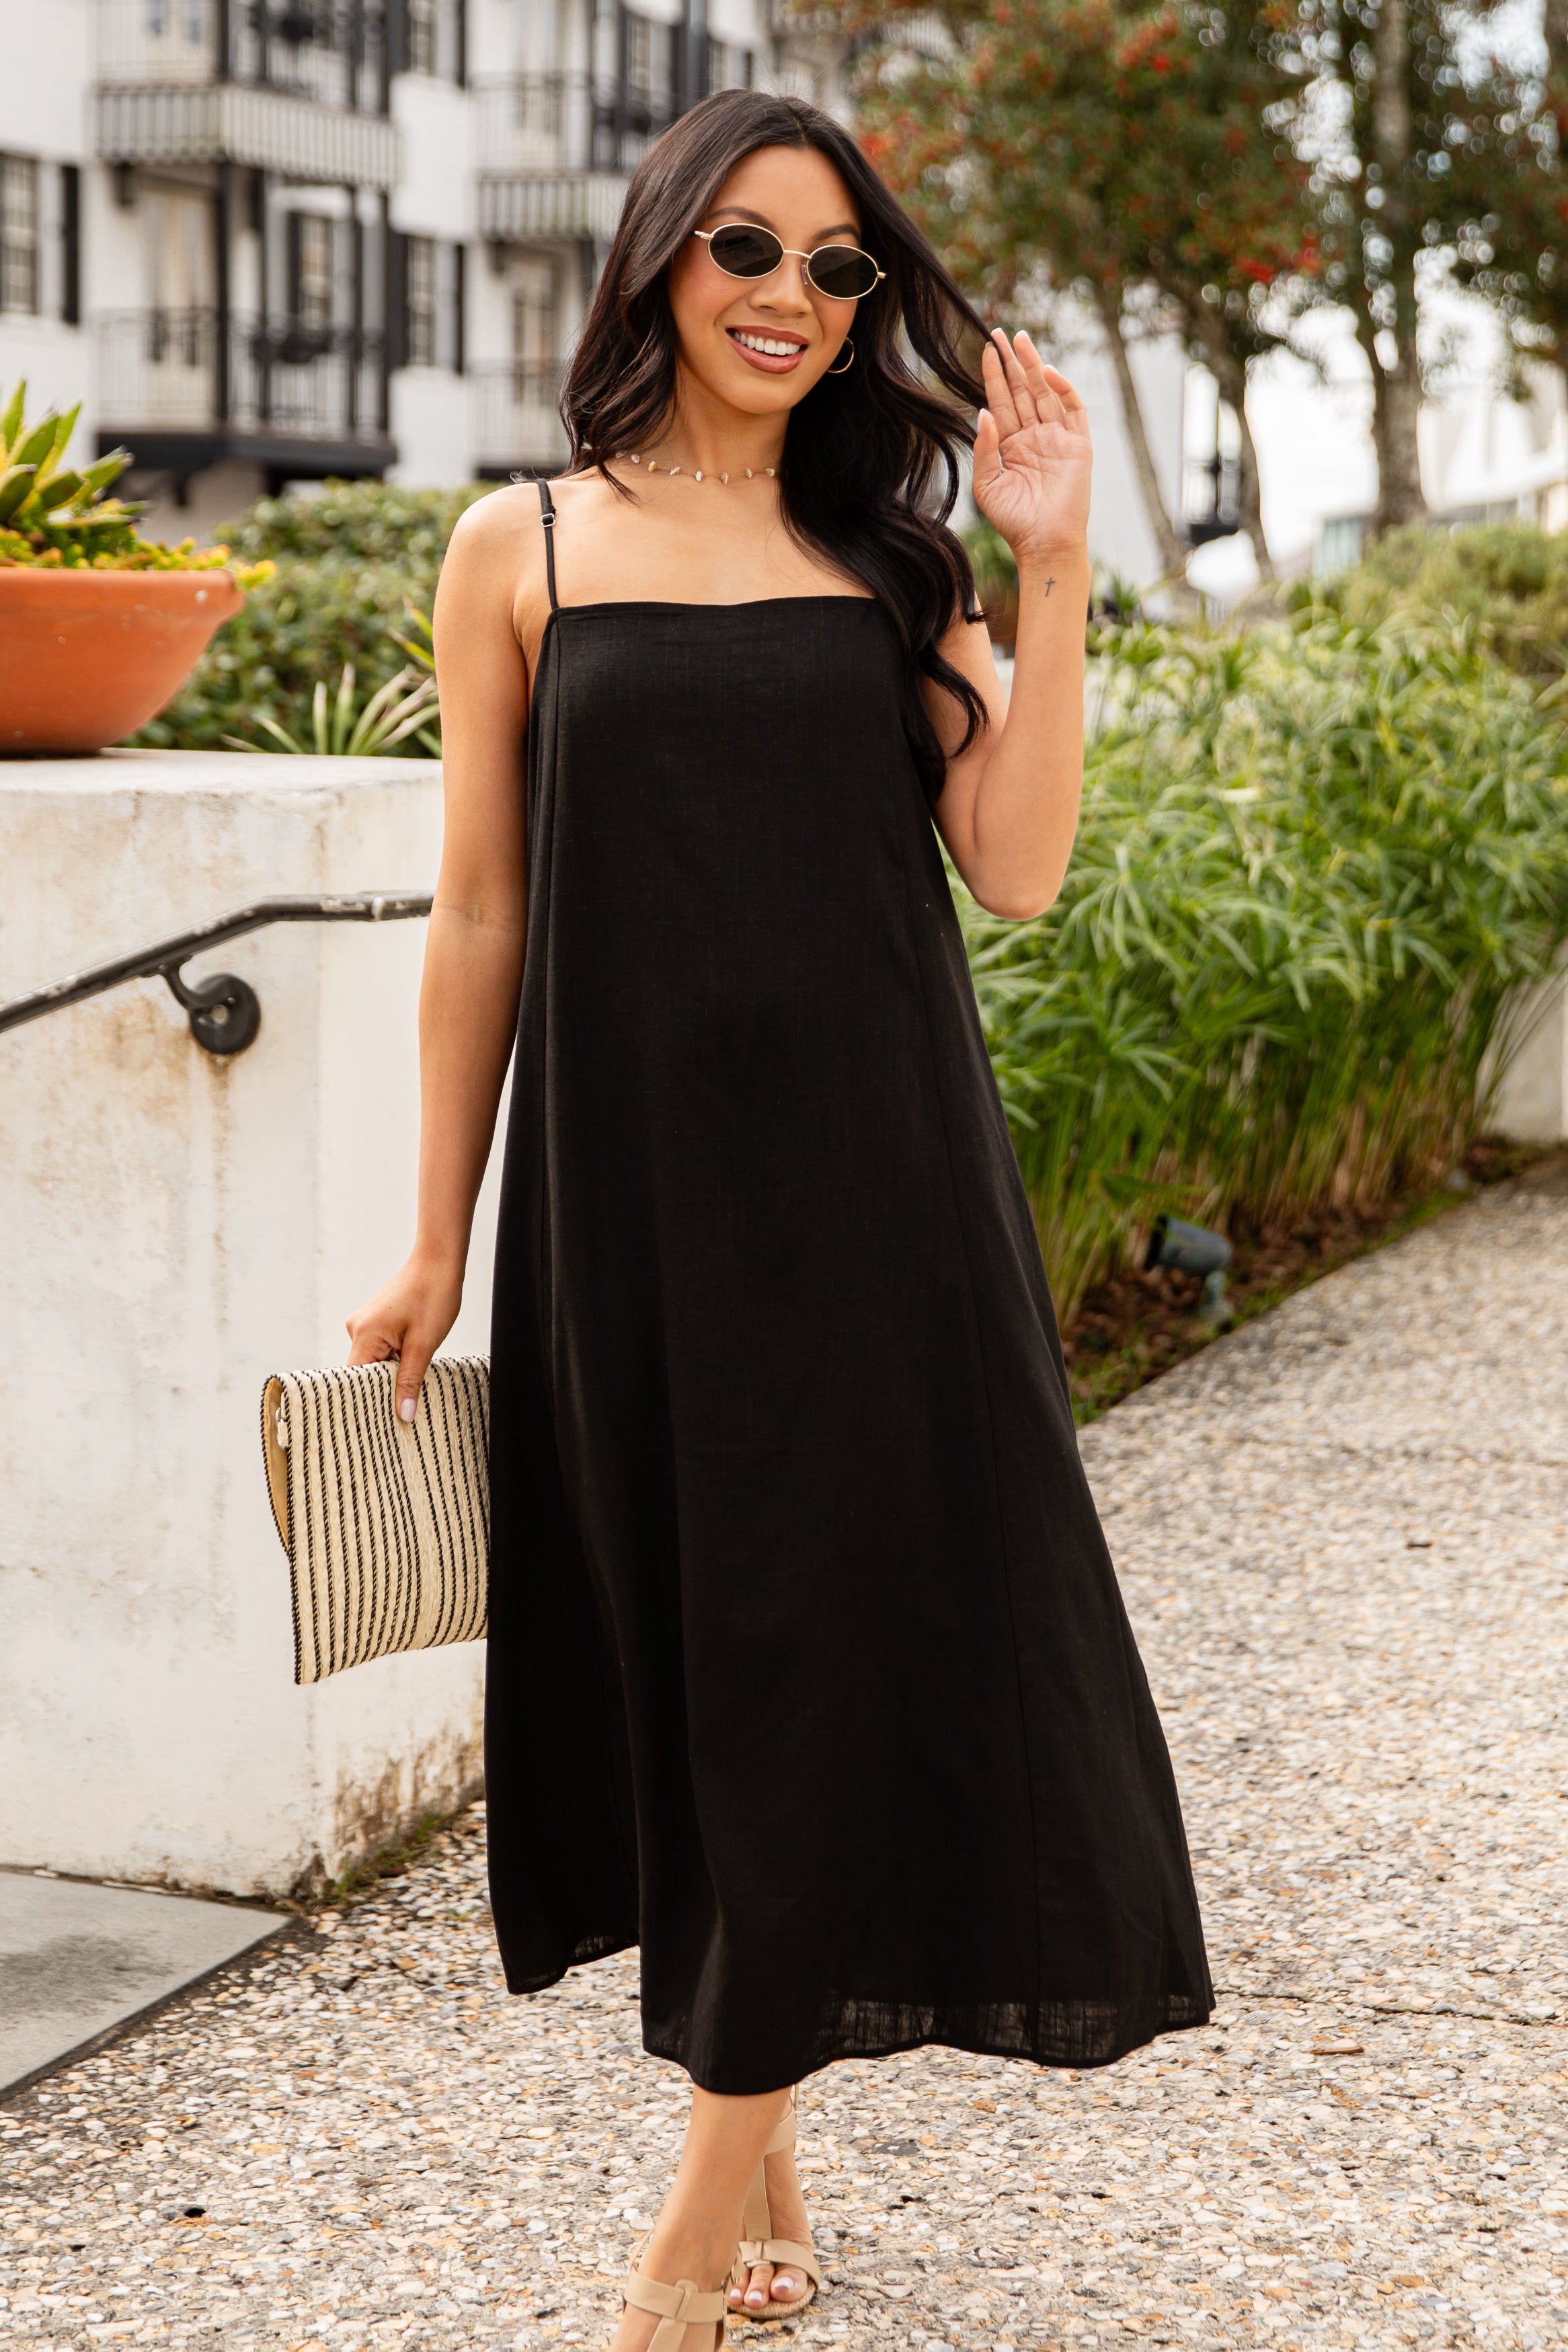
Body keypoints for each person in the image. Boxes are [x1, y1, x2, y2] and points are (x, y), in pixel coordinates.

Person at [347, 86, 1212, 2352]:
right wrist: (436, 1239)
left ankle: (677, 2244)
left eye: (839, 269)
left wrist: (1044, 561)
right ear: (658, 256)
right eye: (749, 250)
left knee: (822, 1658)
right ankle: (771, 2170)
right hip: (622, 1199)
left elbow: (1010, 863)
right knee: (689, 1667)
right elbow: (478, 913)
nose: (793, 302)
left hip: (873, 1202)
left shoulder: (887, 560)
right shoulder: (518, 550)